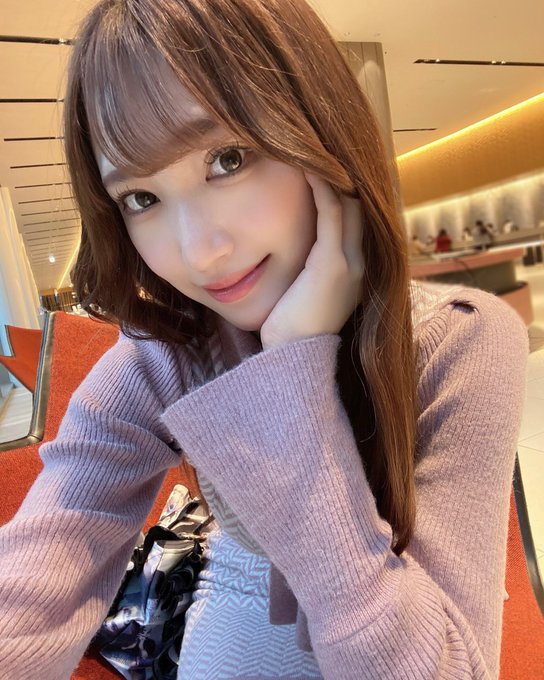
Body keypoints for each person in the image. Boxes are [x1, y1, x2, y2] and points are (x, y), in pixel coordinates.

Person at [0, 1, 528, 679]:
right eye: (140, 198)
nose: (201, 253)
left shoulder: (458, 339)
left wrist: (293, 380)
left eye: (228, 159)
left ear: (321, 133)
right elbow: (38, 574)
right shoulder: (167, 354)